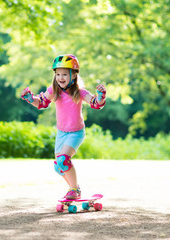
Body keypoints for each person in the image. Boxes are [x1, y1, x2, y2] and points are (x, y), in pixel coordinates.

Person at [21, 54, 106, 199]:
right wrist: (30, 98)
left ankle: (73, 189)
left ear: (74, 75)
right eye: (58, 74)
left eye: (65, 74)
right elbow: (41, 103)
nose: (60, 77)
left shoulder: (79, 92)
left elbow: (95, 104)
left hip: (76, 133)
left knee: (63, 160)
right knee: (58, 167)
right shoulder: (54, 90)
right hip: (61, 133)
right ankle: (75, 189)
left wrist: (101, 96)